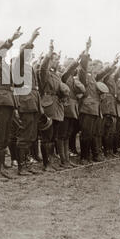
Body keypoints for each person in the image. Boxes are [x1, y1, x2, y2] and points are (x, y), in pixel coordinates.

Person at [0, 27, 23, 181]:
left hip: (8, 102)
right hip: (0, 102)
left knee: (5, 138)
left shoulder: (5, 65)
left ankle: (0, 168)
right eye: (1, 47)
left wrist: (15, 106)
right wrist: (11, 40)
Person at [13, 28, 43, 175]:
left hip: (33, 104)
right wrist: (32, 38)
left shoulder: (28, 67)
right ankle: (21, 166)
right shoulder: (17, 63)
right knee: (24, 136)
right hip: (25, 104)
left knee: (31, 136)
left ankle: (26, 163)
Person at [38, 40, 70, 171]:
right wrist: (49, 53)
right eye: (55, 59)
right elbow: (43, 67)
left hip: (57, 106)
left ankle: (51, 161)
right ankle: (46, 164)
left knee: (53, 137)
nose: (57, 61)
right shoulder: (45, 73)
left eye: (58, 59)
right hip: (48, 106)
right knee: (47, 136)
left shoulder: (57, 75)